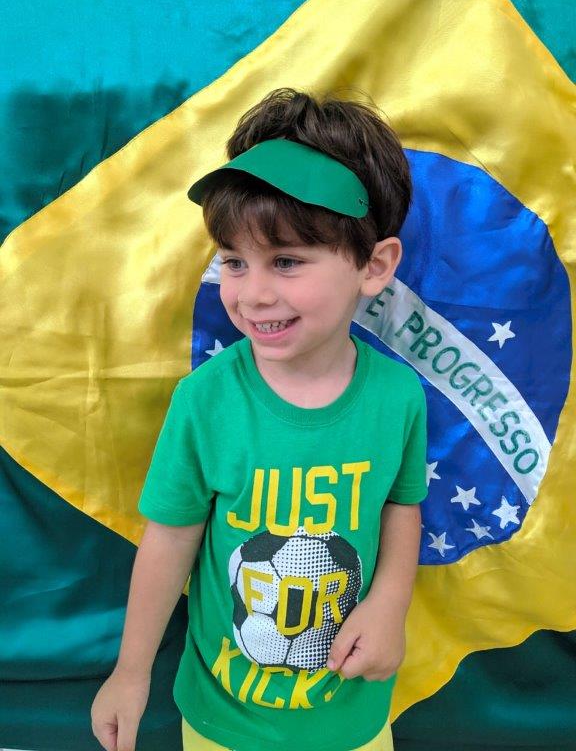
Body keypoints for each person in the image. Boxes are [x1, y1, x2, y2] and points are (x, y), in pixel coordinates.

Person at [91, 87, 427, 751]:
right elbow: (169, 541)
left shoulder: (398, 397)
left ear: (374, 265)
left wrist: (391, 600)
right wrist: (130, 672)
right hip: (223, 718)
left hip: (352, 718)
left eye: (287, 261)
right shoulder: (206, 400)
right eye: (234, 262)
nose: (252, 293)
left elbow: (401, 504)